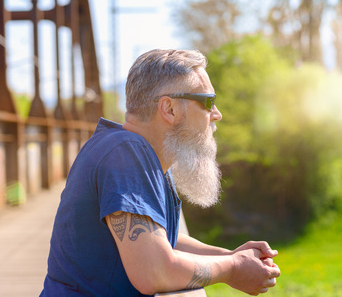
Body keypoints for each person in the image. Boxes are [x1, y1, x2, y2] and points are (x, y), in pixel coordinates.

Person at [40, 49, 281, 296]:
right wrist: (233, 268)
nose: (216, 114)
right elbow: (154, 271)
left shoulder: (137, 152)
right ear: (170, 109)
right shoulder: (126, 153)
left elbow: (158, 238)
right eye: (208, 101)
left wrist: (229, 255)